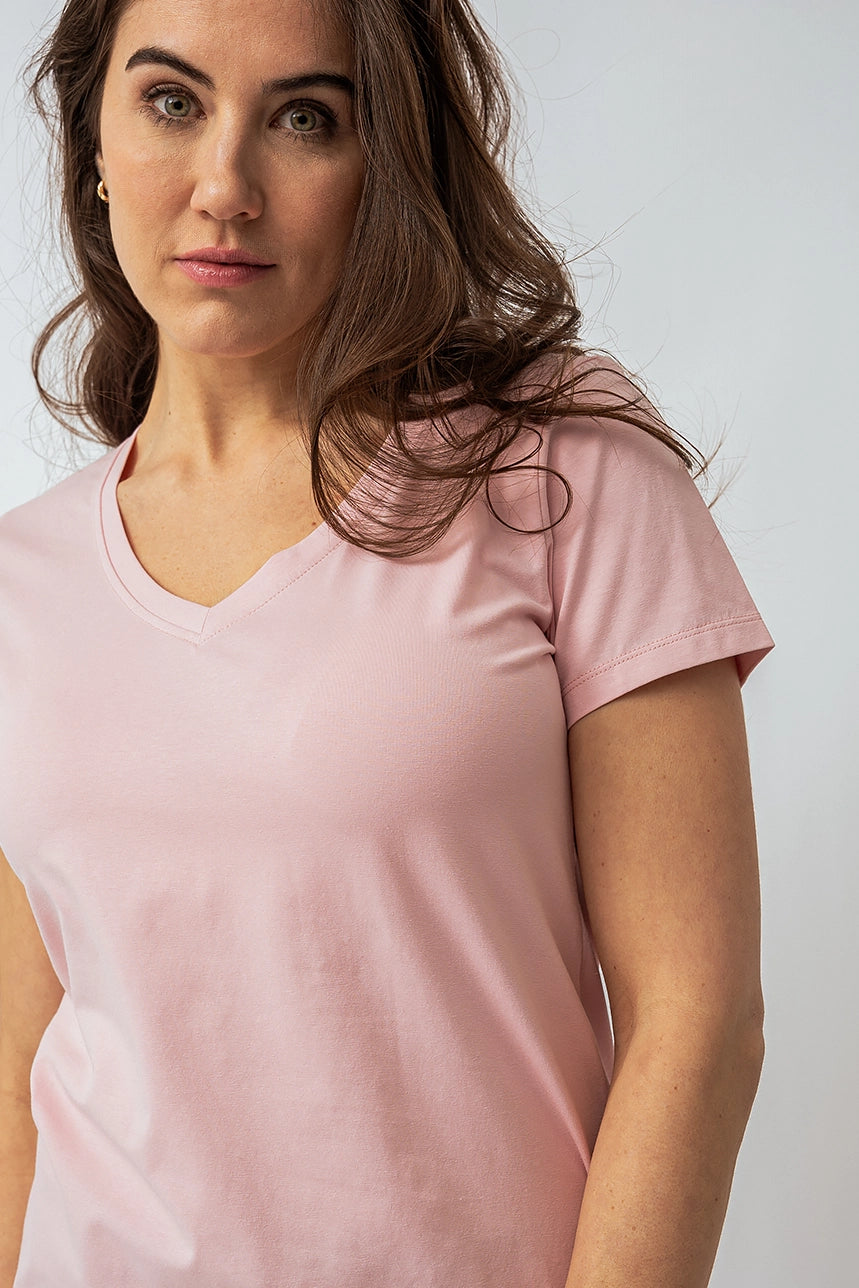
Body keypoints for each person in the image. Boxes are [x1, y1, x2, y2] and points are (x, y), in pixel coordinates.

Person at [0, 0, 775, 1285]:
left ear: (388, 162)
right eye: (172, 102)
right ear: (92, 141)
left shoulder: (563, 476)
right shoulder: (19, 583)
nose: (224, 186)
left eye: (306, 118)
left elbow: (697, 1022)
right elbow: (16, 1065)